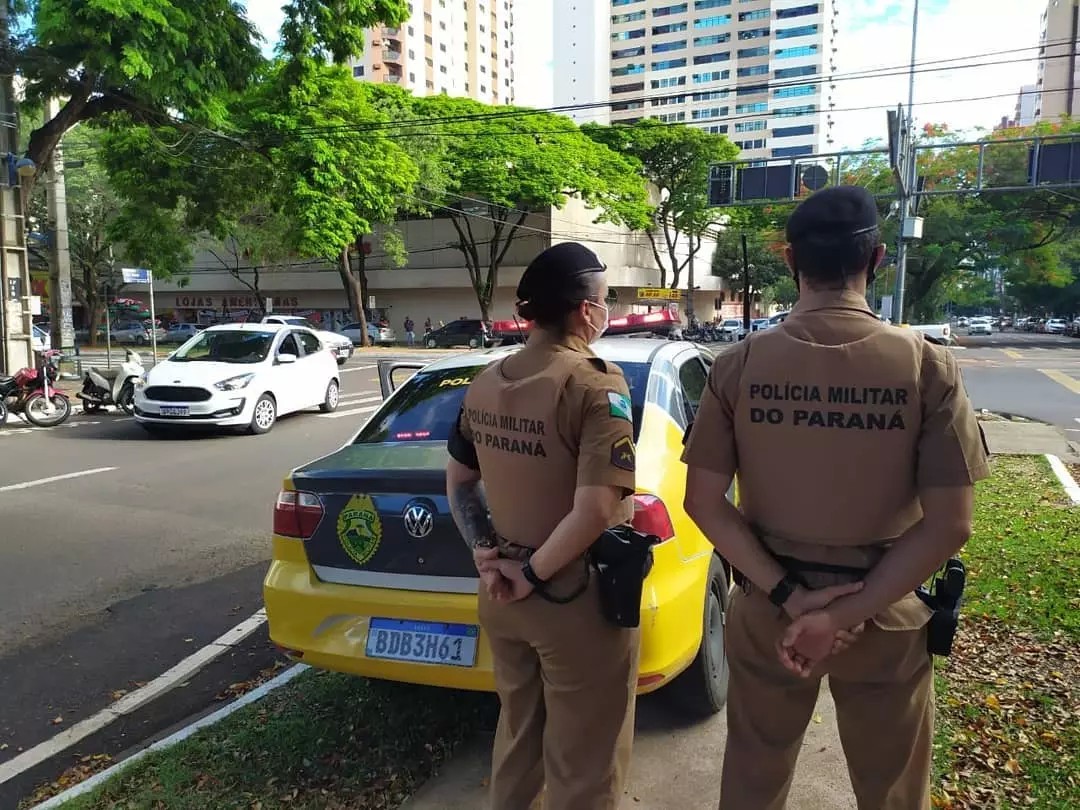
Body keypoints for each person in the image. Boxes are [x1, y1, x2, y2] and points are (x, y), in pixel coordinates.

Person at [682, 185, 989, 810]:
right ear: (876, 259)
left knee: (753, 779)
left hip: (771, 608)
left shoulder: (737, 365)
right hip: (886, 613)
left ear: (791, 260)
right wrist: (844, 615)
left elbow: (704, 503)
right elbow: (950, 524)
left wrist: (795, 601)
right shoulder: (926, 367)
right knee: (892, 791)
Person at [445, 241, 639, 810]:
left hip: (500, 595)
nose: (607, 311)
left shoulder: (486, 382)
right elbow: (596, 510)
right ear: (584, 310)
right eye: (605, 300)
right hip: (573, 599)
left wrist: (485, 552)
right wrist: (532, 574)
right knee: (586, 762)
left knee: (518, 739)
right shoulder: (595, 385)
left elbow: (459, 482)